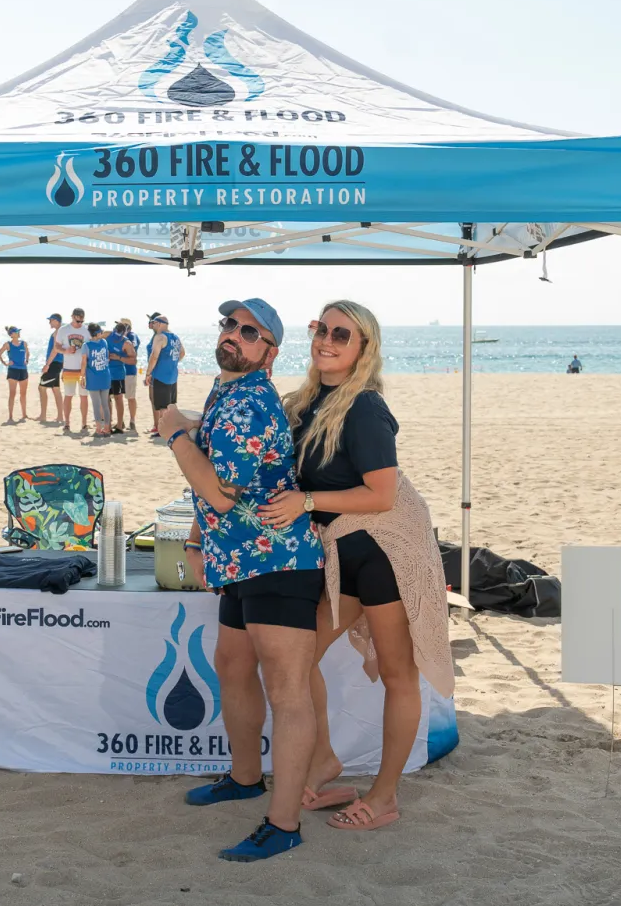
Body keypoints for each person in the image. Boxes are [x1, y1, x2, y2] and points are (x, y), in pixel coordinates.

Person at [258, 301, 451, 833]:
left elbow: (383, 494)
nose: (328, 339)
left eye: (342, 333)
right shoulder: (305, 400)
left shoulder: (364, 407)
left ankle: (385, 795)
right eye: (321, 328)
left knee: (398, 674)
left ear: (364, 347)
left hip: (389, 549)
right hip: (342, 549)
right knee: (299, 661)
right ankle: (323, 760)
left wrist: (307, 502)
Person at [160, 298, 326, 863]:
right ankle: (245, 776)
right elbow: (210, 488)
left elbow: (217, 491)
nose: (235, 334)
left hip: (279, 561)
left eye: (250, 332)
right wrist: (192, 540)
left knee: (288, 689)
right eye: (230, 325)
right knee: (233, 666)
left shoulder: (251, 405)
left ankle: (283, 824)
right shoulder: (226, 393)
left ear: (269, 353)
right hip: (238, 561)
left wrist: (174, 433)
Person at [145, 312, 184, 437]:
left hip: (161, 376)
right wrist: (171, 362)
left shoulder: (160, 337)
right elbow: (182, 353)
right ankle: (170, 428)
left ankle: (162, 431)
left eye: (155, 323)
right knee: (170, 405)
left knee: (162, 406)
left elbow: (154, 356)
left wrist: (148, 373)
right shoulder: (175, 337)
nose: (153, 325)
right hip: (172, 375)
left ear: (161, 324)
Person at [56, 307, 88, 432]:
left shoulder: (86, 330)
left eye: (82, 321)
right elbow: (56, 347)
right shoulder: (63, 330)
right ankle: (67, 422)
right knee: (68, 396)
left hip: (83, 370)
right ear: (72, 317)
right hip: (68, 368)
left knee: (84, 396)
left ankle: (84, 423)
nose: (80, 324)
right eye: (78, 321)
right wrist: (66, 351)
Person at [83, 321, 113, 437]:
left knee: (96, 404)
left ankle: (98, 429)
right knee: (105, 404)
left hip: (93, 377)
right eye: (100, 331)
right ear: (97, 333)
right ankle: (107, 429)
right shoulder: (104, 342)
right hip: (105, 376)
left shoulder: (86, 346)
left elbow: (83, 363)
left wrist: (82, 377)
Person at [107, 321, 135, 433]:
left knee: (118, 399)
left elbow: (133, 360)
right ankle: (108, 425)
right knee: (106, 399)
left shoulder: (127, 343)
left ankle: (119, 425)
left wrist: (118, 358)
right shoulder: (106, 335)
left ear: (124, 333)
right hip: (105, 373)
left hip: (118, 374)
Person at [38, 314, 64, 424]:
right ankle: (60, 417)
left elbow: (55, 350)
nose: (49, 322)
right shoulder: (59, 331)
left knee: (41, 387)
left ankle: (43, 416)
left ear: (57, 321)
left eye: (51, 320)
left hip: (54, 363)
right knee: (56, 389)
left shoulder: (58, 332)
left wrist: (47, 364)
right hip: (57, 363)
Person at [2, 326, 31, 421]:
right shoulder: (8, 344)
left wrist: (27, 360)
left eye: (19, 331)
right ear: (11, 334)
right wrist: (6, 363)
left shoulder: (24, 343)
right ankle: (10, 416)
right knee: (12, 393)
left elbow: (28, 353)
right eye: (17, 331)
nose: (19, 333)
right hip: (13, 370)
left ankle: (24, 414)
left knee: (23, 393)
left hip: (23, 370)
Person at [121, 317, 142, 433]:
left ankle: (132, 420)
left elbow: (133, 345)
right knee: (119, 397)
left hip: (129, 371)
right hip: (121, 371)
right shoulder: (121, 337)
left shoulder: (132, 336)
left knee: (130, 397)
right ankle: (122, 421)